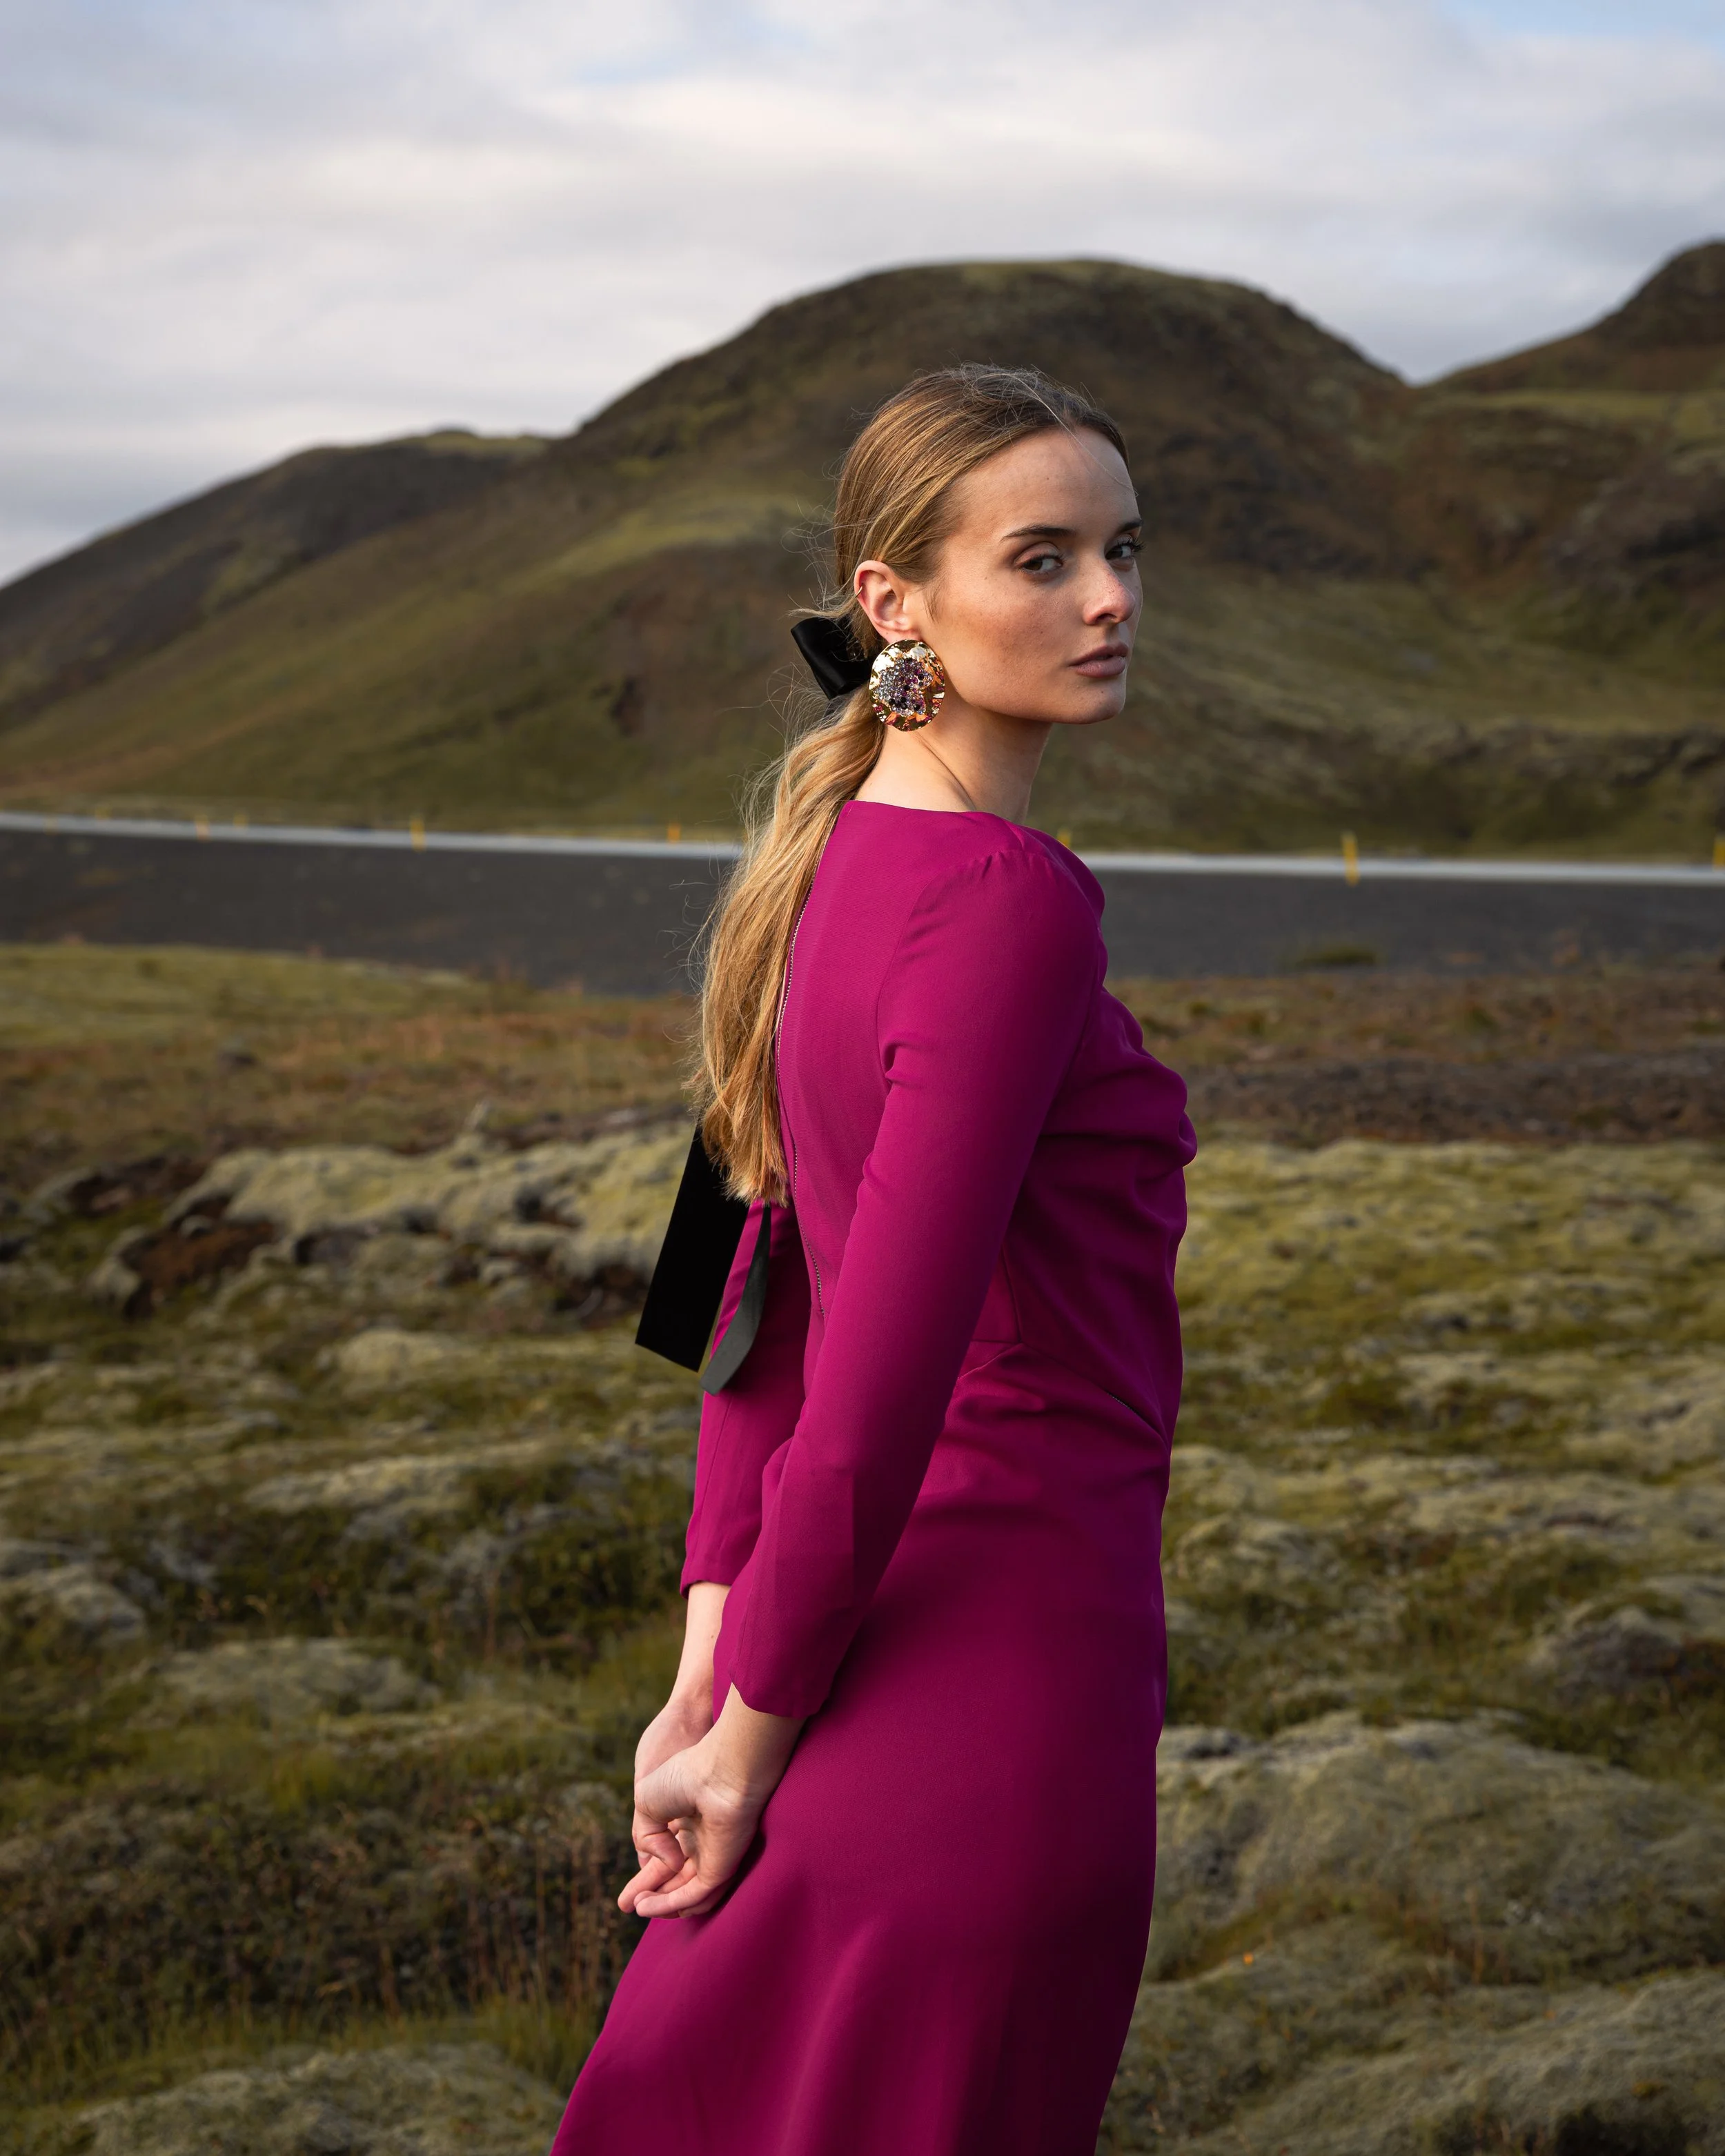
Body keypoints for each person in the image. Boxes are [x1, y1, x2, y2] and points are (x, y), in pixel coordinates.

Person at [549, 364, 1194, 2156]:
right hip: (1000, 1676)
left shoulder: (812, 872)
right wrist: (735, 1741)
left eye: (1122, 550)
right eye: (1044, 557)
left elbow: (744, 1312)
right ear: (890, 604)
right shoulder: (1008, 899)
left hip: (843, 1658)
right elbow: (870, 1383)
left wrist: (707, 1665)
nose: (1109, 598)